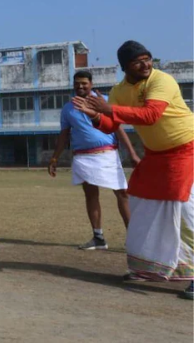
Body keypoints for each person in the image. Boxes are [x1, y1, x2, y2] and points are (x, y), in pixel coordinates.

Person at [73, 40, 193, 300]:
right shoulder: (118, 91)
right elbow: (110, 124)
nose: (146, 64)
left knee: (186, 211)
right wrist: (95, 115)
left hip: (187, 149)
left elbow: (150, 115)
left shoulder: (162, 80)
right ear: (125, 66)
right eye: (138, 61)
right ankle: (149, 267)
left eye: (148, 58)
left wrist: (108, 109)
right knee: (140, 204)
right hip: (157, 155)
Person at [48, 70, 140, 250]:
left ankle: (134, 239)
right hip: (83, 157)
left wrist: (132, 153)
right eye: (77, 84)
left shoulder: (103, 101)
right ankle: (98, 238)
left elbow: (118, 128)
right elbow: (64, 135)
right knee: (90, 195)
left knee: (122, 194)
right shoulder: (68, 109)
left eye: (84, 83)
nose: (80, 86)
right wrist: (54, 158)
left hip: (108, 155)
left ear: (91, 84)